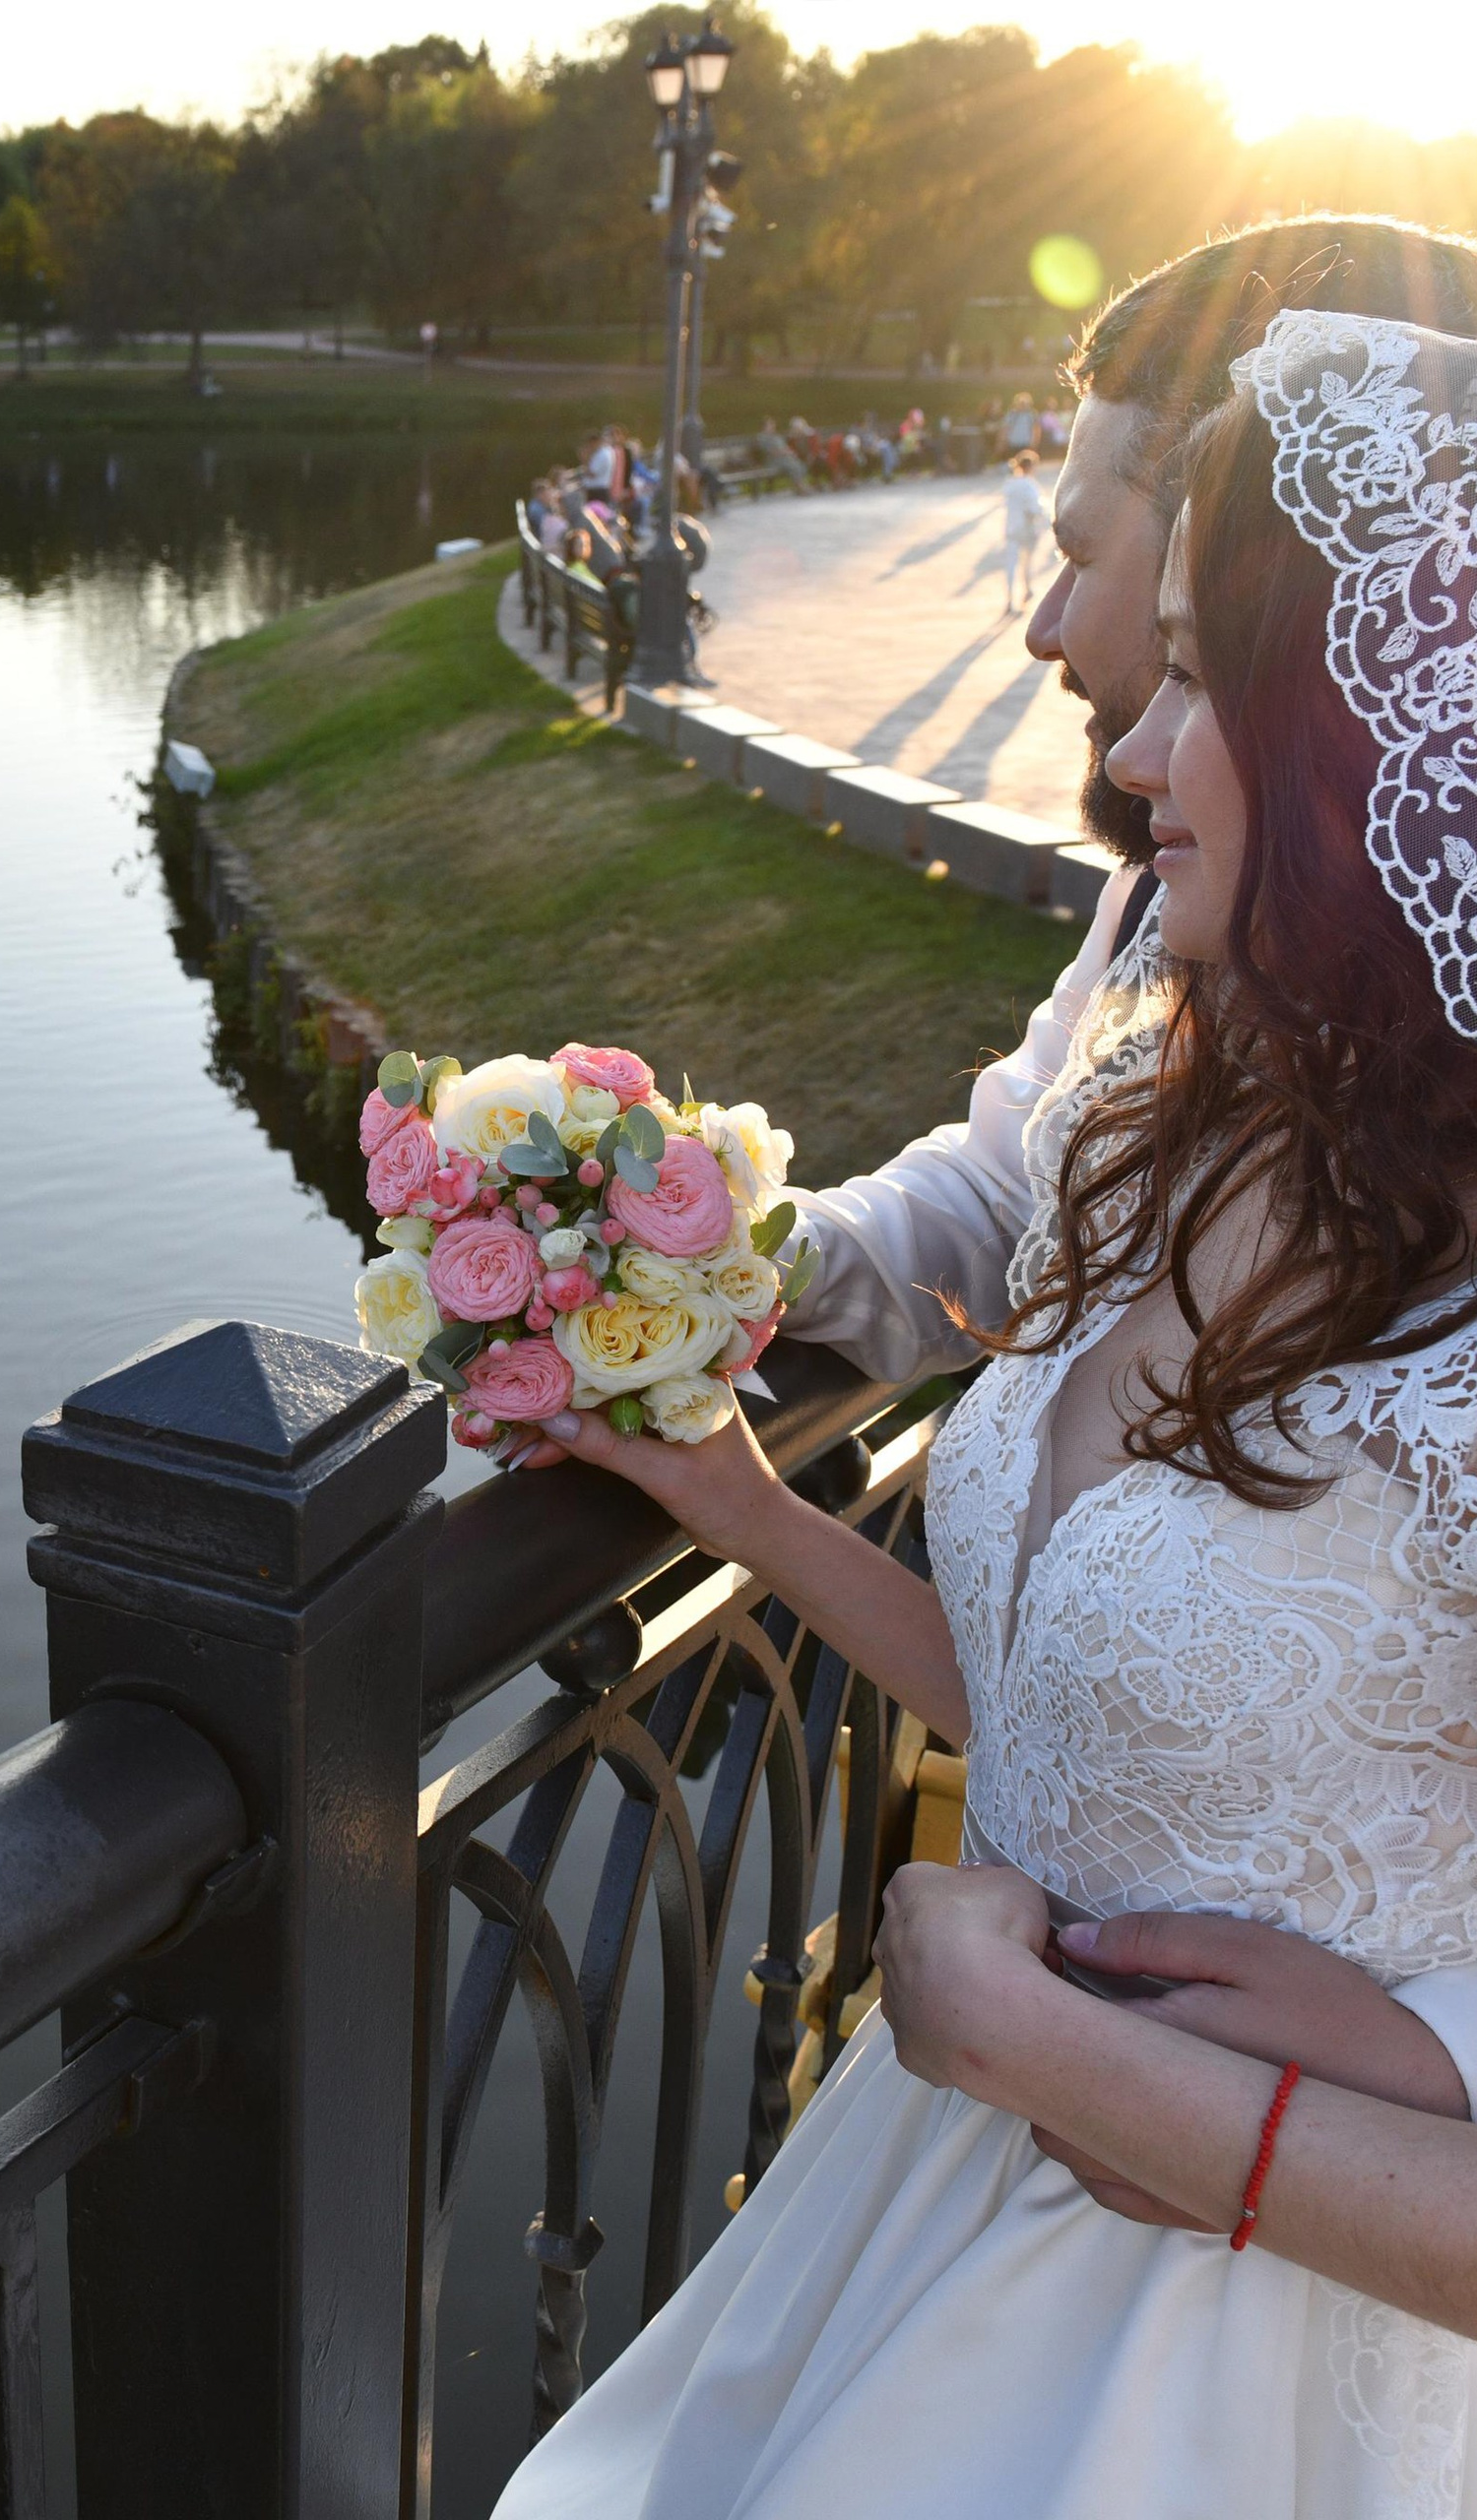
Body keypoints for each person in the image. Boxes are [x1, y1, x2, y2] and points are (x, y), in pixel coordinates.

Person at [496, 303, 1477, 2518]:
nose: (1138, 753)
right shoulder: (1161, 1109)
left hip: (1232, 2359)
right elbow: (1076, 1718)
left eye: (1204, 682)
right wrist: (741, 1504)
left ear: (1368, 756)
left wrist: (1058, 2047)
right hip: (926, 2186)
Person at [998, 446, 1048, 613]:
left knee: (1011, 565)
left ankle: (1010, 598)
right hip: (1027, 530)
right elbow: (1035, 509)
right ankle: (1027, 589)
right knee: (1027, 563)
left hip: (1011, 528)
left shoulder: (1010, 484)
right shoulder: (1030, 485)